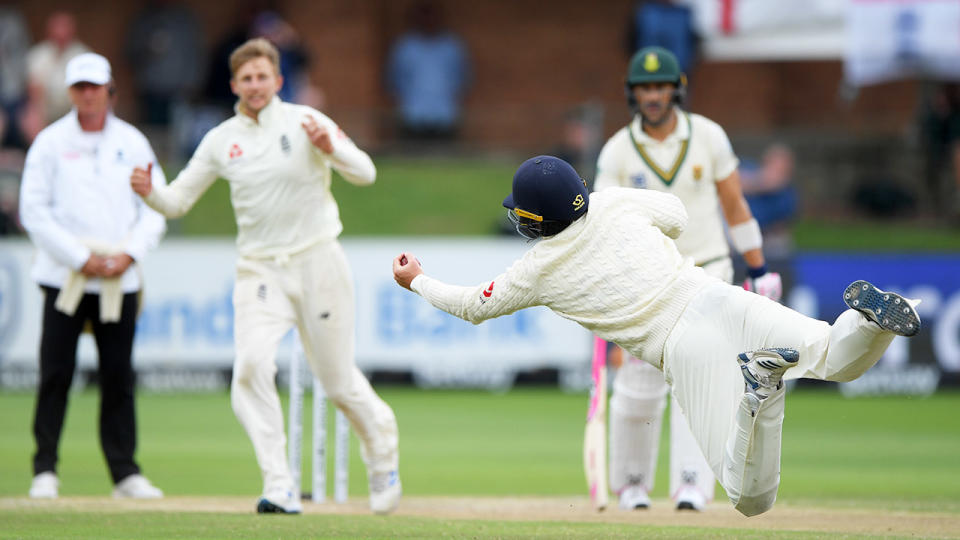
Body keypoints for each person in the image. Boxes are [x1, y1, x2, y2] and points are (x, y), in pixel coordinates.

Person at [391, 155, 920, 517]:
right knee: (833, 353)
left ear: (537, 220)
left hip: (684, 347)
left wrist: (417, 280)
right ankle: (871, 321)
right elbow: (677, 213)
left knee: (748, 497)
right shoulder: (612, 202)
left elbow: (471, 306)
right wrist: (611, 206)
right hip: (718, 295)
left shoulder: (537, 270)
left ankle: (762, 390)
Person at [129, 38, 401, 515]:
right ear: (234, 85)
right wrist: (151, 193)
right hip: (259, 270)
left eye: (263, 77)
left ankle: (382, 454)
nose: (255, 86)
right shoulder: (220, 139)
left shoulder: (306, 122)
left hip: (318, 260)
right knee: (251, 367)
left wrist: (331, 147)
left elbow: (366, 173)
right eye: (246, 79)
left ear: (277, 81)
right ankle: (280, 484)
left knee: (336, 383)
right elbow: (177, 201)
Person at [593, 45, 783, 511]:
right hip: (645, 282)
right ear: (632, 95)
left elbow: (735, 206)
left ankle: (692, 482)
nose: (653, 96)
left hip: (707, 273)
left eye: (660, 87)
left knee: (699, 380)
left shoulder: (709, 137)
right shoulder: (618, 150)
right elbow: (600, 223)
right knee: (638, 384)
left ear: (676, 89)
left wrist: (757, 266)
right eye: (644, 89)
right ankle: (632, 483)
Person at [19, 52, 167, 499]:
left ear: (109, 91)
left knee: (118, 374)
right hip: (65, 275)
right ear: (69, 92)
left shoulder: (133, 142)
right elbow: (33, 210)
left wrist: (130, 254)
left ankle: (125, 473)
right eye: (79, 87)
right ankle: (44, 468)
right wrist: (77, 255)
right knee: (55, 372)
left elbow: (155, 206)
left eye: (94, 87)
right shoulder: (49, 142)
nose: (87, 95)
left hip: (119, 275)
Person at [386, 1, 470, 140]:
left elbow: (462, 78)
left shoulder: (451, 46)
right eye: (424, 16)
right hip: (412, 115)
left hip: (445, 115)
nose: (428, 20)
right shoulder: (405, 47)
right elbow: (394, 79)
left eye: (431, 16)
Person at [25, 11, 89, 129]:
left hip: (74, 108)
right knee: (31, 118)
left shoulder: (83, 54)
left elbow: (86, 89)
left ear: (72, 31)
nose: (61, 33)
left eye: (65, 27)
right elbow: (35, 91)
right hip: (47, 109)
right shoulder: (39, 54)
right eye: (57, 27)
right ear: (49, 31)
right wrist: (38, 113)